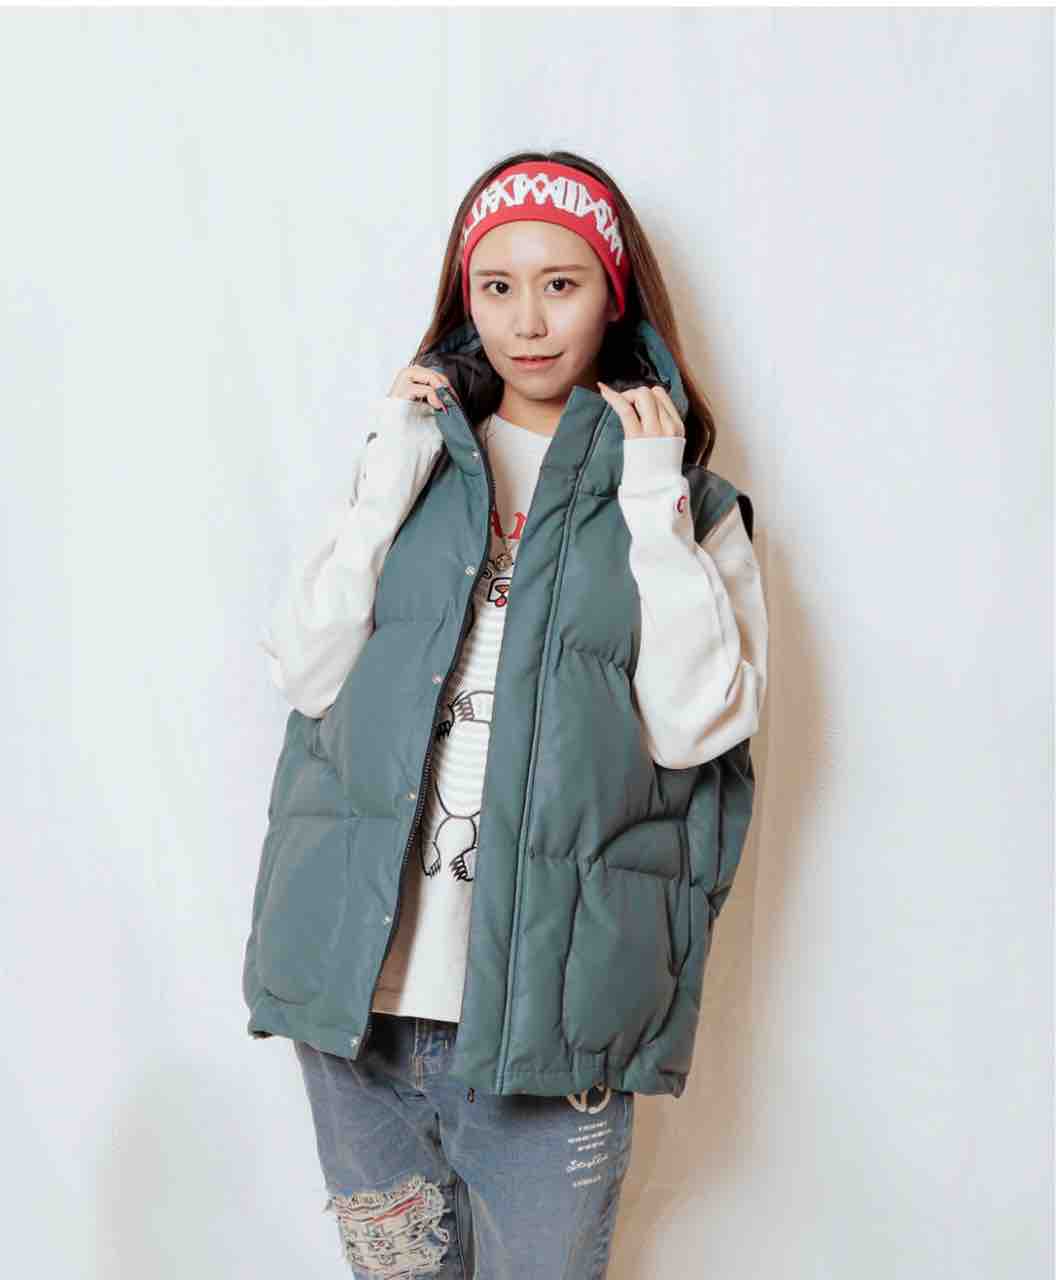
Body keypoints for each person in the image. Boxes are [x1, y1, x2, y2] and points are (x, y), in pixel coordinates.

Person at [242, 151, 768, 1278]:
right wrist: (387, 471)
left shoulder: (686, 504)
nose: (526, 321)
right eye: (496, 286)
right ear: (464, 297)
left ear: (613, 295)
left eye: (560, 284)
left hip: (552, 1034)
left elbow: (699, 723)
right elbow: (307, 668)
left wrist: (653, 496)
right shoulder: (411, 467)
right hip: (359, 1015)